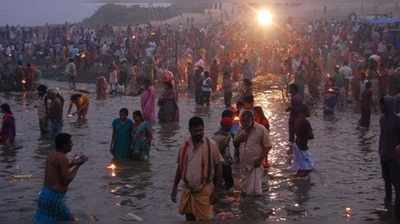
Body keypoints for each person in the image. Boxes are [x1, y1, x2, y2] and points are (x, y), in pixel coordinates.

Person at [171, 117, 223, 221]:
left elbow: (219, 167)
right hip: (187, 190)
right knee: (189, 218)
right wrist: (174, 188)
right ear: (190, 130)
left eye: (201, 130)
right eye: (196, 131)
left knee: (205, 220)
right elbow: (180, 168)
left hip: (204, 191)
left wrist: (216, 191)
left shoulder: (211, 145)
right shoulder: (184, 146)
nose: (199, 133)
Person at [34, 133, 88, 224]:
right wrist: (78, 165)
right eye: (70, 143)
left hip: (44, 195)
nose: (72, 145)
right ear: (64, 145)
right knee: (71, 221)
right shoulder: (63, 158)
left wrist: (73, 163)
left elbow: (58, 169)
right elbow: (66, 180)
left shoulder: (52, 155)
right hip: (54, 199)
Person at [234, 111, 272, 195]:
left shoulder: (261, 129)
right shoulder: (241, 129)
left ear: (252, 120)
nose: (244, 124)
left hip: (255, 165)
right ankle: (247, 205)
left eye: (246, 121)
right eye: (242, 121)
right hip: (243, 164)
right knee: (244, 189)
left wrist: (260, 159)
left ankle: (255, 206)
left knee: (255, 191)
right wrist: (240, 139)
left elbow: (268, 146)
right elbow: (235, 143)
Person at [379, 96, 400, 216]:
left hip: (394, 158)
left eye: (383, 105)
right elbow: (382, 137)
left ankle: (397, 209)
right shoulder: (382, 119)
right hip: (384, 155)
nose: (381, 107)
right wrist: (380, 150)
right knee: (386, 181)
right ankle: (387, 205)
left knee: (396, 183)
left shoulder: (398, 120)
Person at [290, 104, 314, 177]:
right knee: (305, 166)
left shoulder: (297, 120)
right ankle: (302, 175)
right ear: (303, 112)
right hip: (302, 144)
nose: (309, 112)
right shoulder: (305, 122)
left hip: (298, 143)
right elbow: (311, 136)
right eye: (308, 110)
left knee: (300, 162)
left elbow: (294, 131)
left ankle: (299, 174)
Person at [213, 115, 234, 190]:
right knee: (228, 184)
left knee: (223, 184)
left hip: (223, 163)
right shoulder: (222, 137)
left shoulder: (219, 135)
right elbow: (218, 152)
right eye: (230, 125)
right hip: (223, 164)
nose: (231, 127)